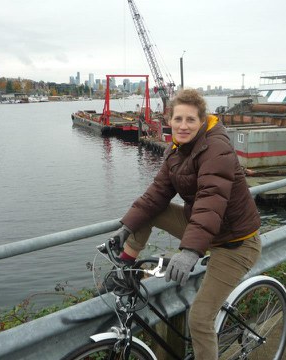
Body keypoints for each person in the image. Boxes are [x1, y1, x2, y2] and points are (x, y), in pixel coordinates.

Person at [109, 88, 262, 360]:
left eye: (190, 120)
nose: (183, 125)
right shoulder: (176, 150)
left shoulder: (216, 148)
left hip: (236, 243)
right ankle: (126, 265)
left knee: (200, 320)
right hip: (205, 231)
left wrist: (190, 251)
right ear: (169, 120)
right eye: (178, 119)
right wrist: (127, 227)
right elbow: (156, 194)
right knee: (150, 211)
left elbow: (210, 199)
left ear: (202, 121)